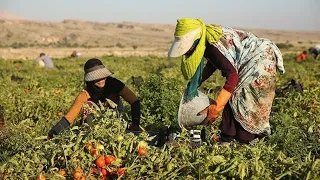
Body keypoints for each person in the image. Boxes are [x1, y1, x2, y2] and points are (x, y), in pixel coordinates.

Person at [168, 18, 285, 144]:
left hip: (259, 61)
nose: (188, 51)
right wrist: (197, 83)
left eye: (188, 47)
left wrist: (217, 106)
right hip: (256, 58)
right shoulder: (206, 40)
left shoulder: (212, 46)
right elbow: (214, 64)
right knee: (234, 97)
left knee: (242, 99)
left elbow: (232, 75)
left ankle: (247, 140)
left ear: (195, 40)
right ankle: (228, 137)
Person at [48, 58, 140, 137]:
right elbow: (69, 118)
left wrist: (135, 124)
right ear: (90, 80)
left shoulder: (115, 85)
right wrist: (52, 134)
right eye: (96, 78)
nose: (100, 80)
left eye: (102, 76)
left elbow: (134, 101)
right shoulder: (85, 94)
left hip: (116, 125)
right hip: (94, 129)